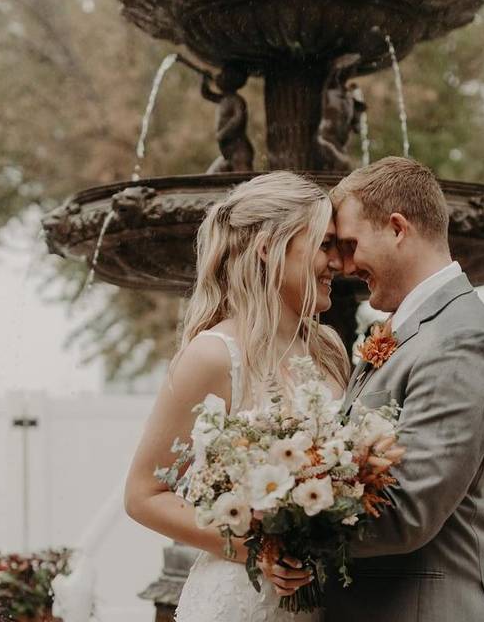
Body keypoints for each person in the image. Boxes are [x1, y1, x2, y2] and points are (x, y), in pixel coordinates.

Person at [124, 171, 350, 622]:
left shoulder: (329, 349)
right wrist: (256, 548)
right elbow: (144, 494)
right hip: (240, 602)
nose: (338, 264)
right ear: (269, 249)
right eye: (324, 245)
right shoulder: (214, 355)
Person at [321, 156, 484, 621]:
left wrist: (277, 521)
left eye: (352, 245)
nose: (346, 265)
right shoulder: (412, 331)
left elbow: (407, 511)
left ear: (397, 228)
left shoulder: (461, 340)